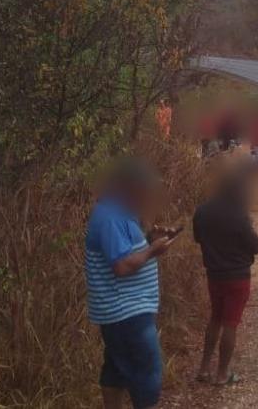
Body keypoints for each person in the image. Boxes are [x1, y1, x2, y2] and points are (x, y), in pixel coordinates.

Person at [85, 157, 176, 409]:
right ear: (128, 186)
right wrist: (152, 251)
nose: (147, 193)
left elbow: (125, 252)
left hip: (126, 309)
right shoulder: (109, 217)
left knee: (116, 369)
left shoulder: (120, 212)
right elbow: (122, 266)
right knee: (147, 374)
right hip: (125, 311)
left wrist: (150, 240)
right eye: (143, 188)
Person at [192, 166, 258, 386]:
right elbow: (255, 246)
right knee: (230, 324)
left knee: (215, 318)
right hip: (238, 276)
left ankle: (204, 368)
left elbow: (197, 237)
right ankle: (222, 374)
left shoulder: (202, 211)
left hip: (214, 274)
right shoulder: (239, 215)